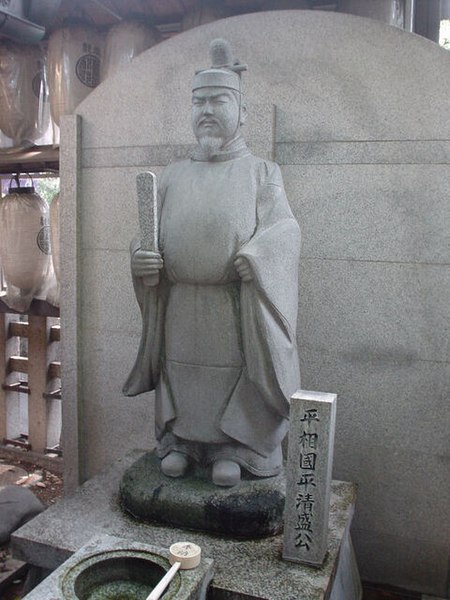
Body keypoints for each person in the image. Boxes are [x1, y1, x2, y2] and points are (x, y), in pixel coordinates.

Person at [123, 39, 301, 487]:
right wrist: (141, 258)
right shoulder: (173, 175)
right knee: (181, 372)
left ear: (241, 111)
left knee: (235, 373)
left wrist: (258, 258)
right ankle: (182, 443)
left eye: (218, 100)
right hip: (180, 303)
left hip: (234, 303)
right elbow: (147, 235)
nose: (206, 109)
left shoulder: (263, 172)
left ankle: (237, 449)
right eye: (198, 101)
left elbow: (285, 230)